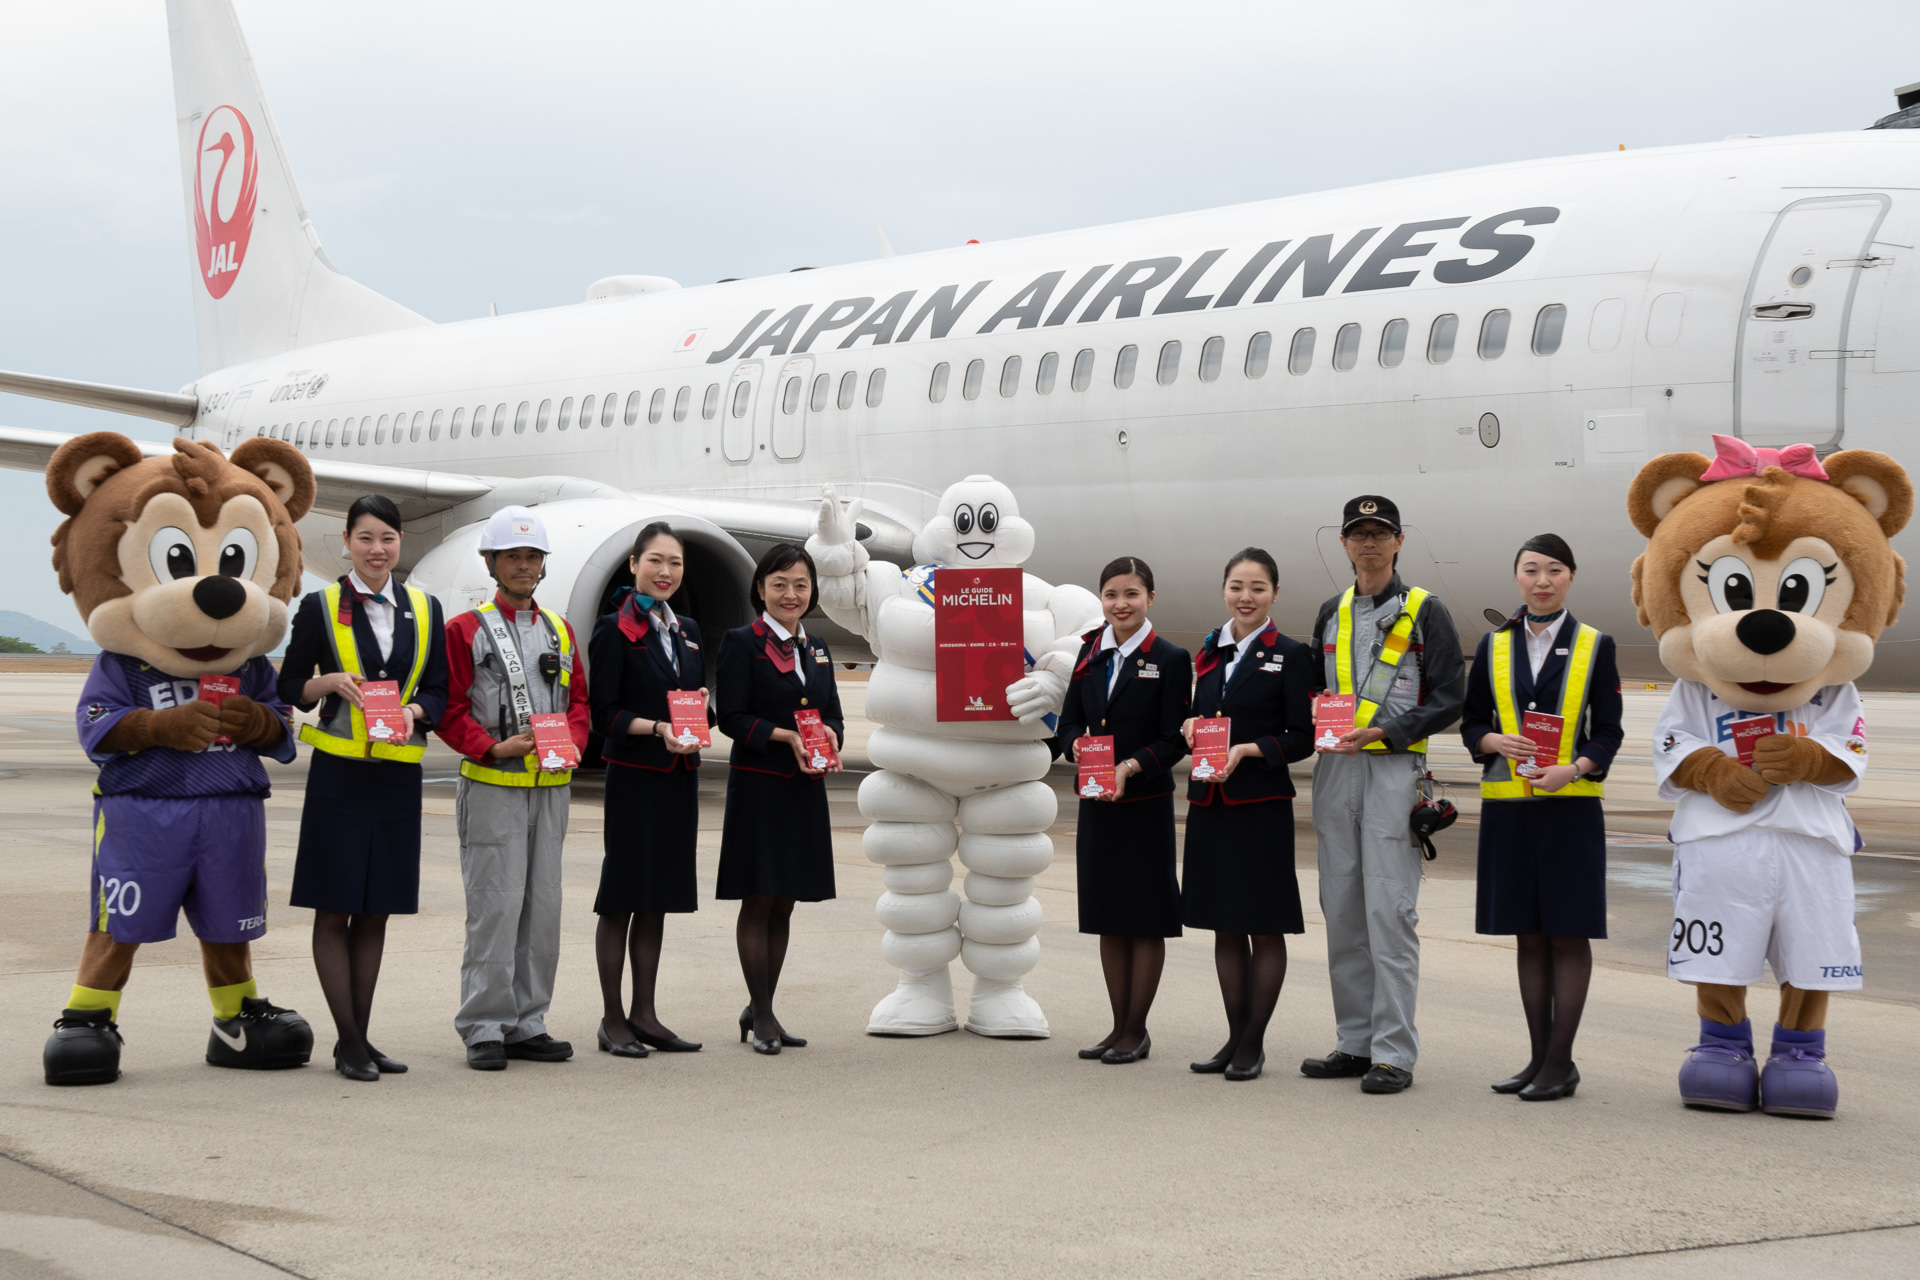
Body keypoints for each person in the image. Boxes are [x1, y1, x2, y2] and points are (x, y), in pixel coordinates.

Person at [279, 495, 448, 1082]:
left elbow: (440, 690)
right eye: (367, 539)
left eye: (388, 539)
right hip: (341, 777)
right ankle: (349, 1041)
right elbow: (290, 685)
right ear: (348, 541)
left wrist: (416, 713)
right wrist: (326, 680)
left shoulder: (425, 607)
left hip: (397, 773)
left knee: (376, 910)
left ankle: (362, 1037)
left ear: (400, 544)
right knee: (335, 908)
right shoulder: (321, 606)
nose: (378, 550)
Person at [1304, 495, 1466, 1094]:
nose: (1369, 543)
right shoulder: (1330, 611)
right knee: (1343, 911)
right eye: (1358, 533)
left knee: (1389, 914)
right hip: (1335, 773)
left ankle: (1394, 1053)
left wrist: (1392, 731)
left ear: (1399, 542)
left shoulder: (1426, 610)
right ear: (1344, 545)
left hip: (1394, 772)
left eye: (1380, 533)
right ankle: (1354, 1042)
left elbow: (1451, 695)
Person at [1460, 534, 1622, 1101]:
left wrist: (1574, 768)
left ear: (1571, 578)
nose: (1542, 580)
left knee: (1568, 936)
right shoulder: (1493, 645)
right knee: (1528, 938)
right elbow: (1471, 722)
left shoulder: (1595, 645)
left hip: (1570, 809)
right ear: (1517, 578)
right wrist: (1491, 740)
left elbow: (1609, 730)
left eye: (1554, 570)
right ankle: (1537, 1059)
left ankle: (1561, 1061)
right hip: (1509, 811)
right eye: (1531, 570)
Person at [435, 505, 590, 1071]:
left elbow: (578, 704)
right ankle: (484, 1025)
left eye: (533, 557)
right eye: (513, 557)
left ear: (544, 565)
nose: (524, 567)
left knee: (542, 908)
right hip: (493, 785)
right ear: (491, 562)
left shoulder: (560, 630)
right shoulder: (465, 630)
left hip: (550, 788)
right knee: (495, 909)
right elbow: (449, 710)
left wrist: (571, 740)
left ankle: (528, 1021)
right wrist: (492, 747)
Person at [1179, 548, 1315, 1082]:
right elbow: (1203, 713)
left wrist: (1249, 751)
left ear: (1275, 594)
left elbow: (1303, 737)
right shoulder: (1211, 649)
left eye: (1258, 588)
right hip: (1211, 803)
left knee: (1263, 925)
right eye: (1237, 586)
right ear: (1224, 591)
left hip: (1259, 806)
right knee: (1224, 927)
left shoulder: (1291, 654)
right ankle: (1233, 1037)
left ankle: (1253, 1043)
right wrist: (1191, 726)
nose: (1246, 597)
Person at [1057, 557, 1191, 1065]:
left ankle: (1137, 1030)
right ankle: (1117, 1027)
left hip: (1143, 804)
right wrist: (1078, 745)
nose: (1121, 604)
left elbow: (1174, 740)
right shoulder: (1090, 652)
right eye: (1112, 595)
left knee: (1145, 919)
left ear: (1150, 598)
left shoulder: (1171, 657)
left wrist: (1130, 766)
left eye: (1131, 594)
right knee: (1108, 917)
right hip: (1097, 804)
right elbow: (1067, 721)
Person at [714, 543, 844, 1055]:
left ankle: (761, 1003)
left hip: (803, 788)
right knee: (759, 897)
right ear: (761, 590)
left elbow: (830, 711)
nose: (791, 594)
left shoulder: (818, 650)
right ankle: (763, 1013)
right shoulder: (741, 642)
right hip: (760, 786)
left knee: (786, 900)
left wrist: (831, 736)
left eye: (800, 585)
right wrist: (784, 736)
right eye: (780, 585)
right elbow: (733, 717)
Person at [586, 523, 708, 1058]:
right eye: (655, 561)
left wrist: (700, 707)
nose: (665, 572)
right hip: (635, 779)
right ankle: (613, 1018)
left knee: (656, 900)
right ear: (634, 563)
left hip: (678, 779)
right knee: (621, 900)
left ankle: (646, 1013)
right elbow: (604, 715)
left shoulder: (687, 630)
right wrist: (657, 728)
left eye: (675, 564)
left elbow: (694, 705)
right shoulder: (614, 629)